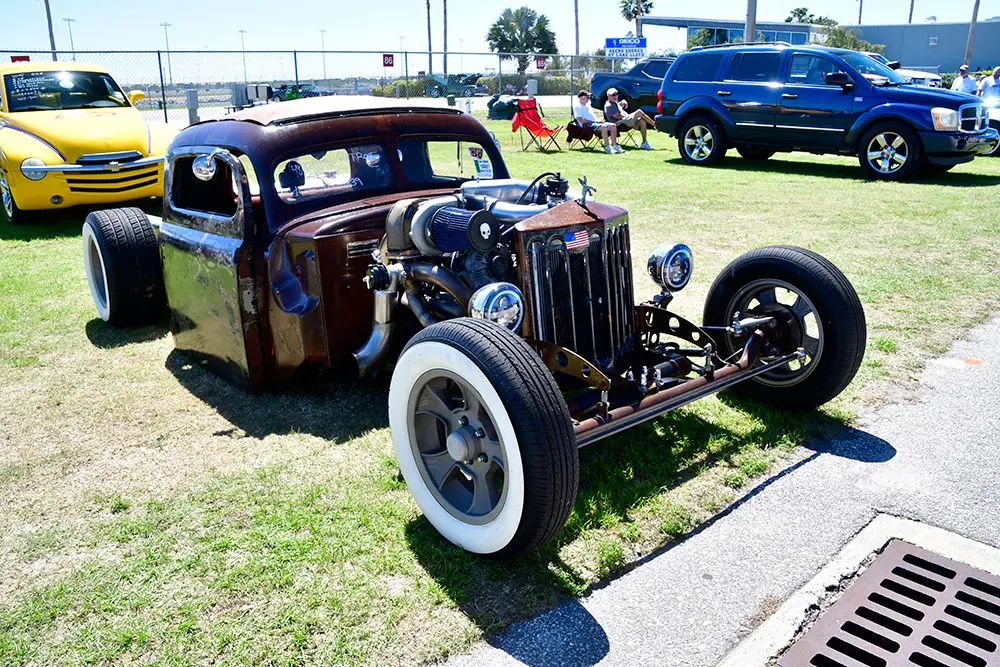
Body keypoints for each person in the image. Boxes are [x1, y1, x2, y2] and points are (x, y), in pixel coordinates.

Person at [574, 90, 621, 154]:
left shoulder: (587, 105)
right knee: (604, 127)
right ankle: (608, 147)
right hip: (587, 125)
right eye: (587, 97)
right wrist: (595, 121)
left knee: (613, 125)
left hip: (595, 122)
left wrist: (598, 120)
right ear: (582, 98)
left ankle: (614, 145)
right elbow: (581, 120)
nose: (588, 99)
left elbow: (592, 116)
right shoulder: (578, 107)